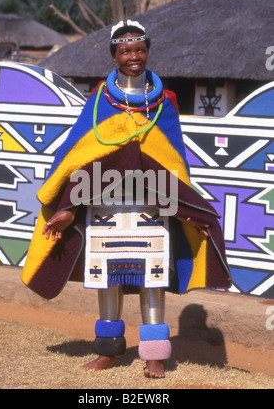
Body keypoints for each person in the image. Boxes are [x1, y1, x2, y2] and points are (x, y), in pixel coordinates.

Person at [22, 20, 231, 379]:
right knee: (108, 277)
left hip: (152, 205)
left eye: (139, 50)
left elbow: (173, 162)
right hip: (105, 203)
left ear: (147, 50)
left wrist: (182, 209)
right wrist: (69, 207)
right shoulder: (98, 102)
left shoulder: (164, 104)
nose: (134, 57)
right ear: (114, 55)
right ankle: (108, 351)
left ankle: (154, 355)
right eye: (126, 51)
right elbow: (77, 156)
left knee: (153, 277)